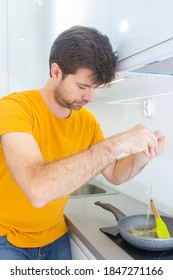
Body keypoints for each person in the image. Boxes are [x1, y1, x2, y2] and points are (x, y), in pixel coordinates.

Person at [0, 25, 165, 260]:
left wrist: (143, 153)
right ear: (56, 72)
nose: (90, 97)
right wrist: (116, 144)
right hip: (6, 240)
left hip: (54, 237)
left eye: (94, 88)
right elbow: (37, 190)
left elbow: (115, 173)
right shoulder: (14, 109)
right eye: (82, 87)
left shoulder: (86, 120)